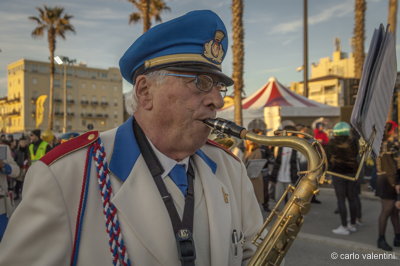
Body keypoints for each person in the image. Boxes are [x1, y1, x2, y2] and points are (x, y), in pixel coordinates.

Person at [0, 10, 262, 265]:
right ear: (145, 91)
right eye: (201, 82)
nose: (217, 100)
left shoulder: (231, 169)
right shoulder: (64, 176)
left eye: (219, 86)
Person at [326, 122, 359, 235]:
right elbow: (356, 154)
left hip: (338, 173)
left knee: (341, 200)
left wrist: (329, 170)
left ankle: (344, 226)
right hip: (352, 173)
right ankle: (353, 224)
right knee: (352, 198)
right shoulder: (353, 141)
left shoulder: (332, 142)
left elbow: (327, 158)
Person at [375, 121, 400, 251]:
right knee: (387, 210)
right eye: (396, 129)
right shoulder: (387, 145)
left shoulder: (385, 144)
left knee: (394, 211)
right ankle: (381, 239)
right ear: (391, 131)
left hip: (389, 178)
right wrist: (395, 184)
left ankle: (397, 237)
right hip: (388, 180)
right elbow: (390, 167)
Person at [271, 125, 299, 204]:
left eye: (290, 133)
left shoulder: (297, 147)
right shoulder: (279, 146)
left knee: (291, 201)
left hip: (291, 177)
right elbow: (276, 160)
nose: (288, 135)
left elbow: (297, 162)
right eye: (286, 133)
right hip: (279, 177)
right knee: (278, 199)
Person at [0, 142, 20, 241]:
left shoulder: (2, 149)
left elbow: (16, 171)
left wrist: (4, 166)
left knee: (4, 239)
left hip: (1, 207)